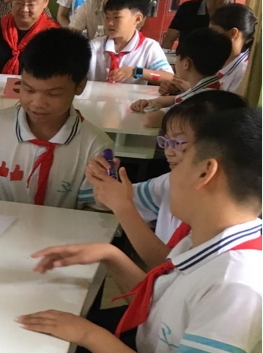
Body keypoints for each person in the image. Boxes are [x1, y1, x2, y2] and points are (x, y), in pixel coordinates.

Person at [0, 107, 263, 353]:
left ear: (205, 172)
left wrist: (88, 333)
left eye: (179, 163)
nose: (170, 173)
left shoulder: (237, 283)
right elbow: (162, 304)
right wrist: (111, 255)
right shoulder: (213, 237)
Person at [0, 28, 113, 209]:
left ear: (80, 85)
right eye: (28, 89)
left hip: (59, 228)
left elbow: (94, 209)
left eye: (53, 94)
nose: (37, 103)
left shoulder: (95, 145)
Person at [85, 91, 247, 269]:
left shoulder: (224, 212)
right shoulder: (169, 182)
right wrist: (106, 183)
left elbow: (172, 270)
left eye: (178, 142)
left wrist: (123, 208)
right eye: (167, 140)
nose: (168, 151)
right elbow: (112, 200)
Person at [130, 28, 233, 127]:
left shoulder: (199, 101)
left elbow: (151, 120)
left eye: (177, 58)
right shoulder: (208, 87)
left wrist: (154, 108)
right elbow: (175, 99)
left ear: (186, 64)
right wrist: (151, 102)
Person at [87, 0, 174, 84]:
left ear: (137, 19)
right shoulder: (94, 46)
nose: (110, 23)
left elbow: (169, 78)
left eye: (116, 17)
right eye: (107, 17)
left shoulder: (149, 47)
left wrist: (136, 71)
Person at [208, 3, 256, 94]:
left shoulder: (243, 73)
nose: (209, 37)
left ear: (233, 33)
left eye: (214, 32)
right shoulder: (218, 59)